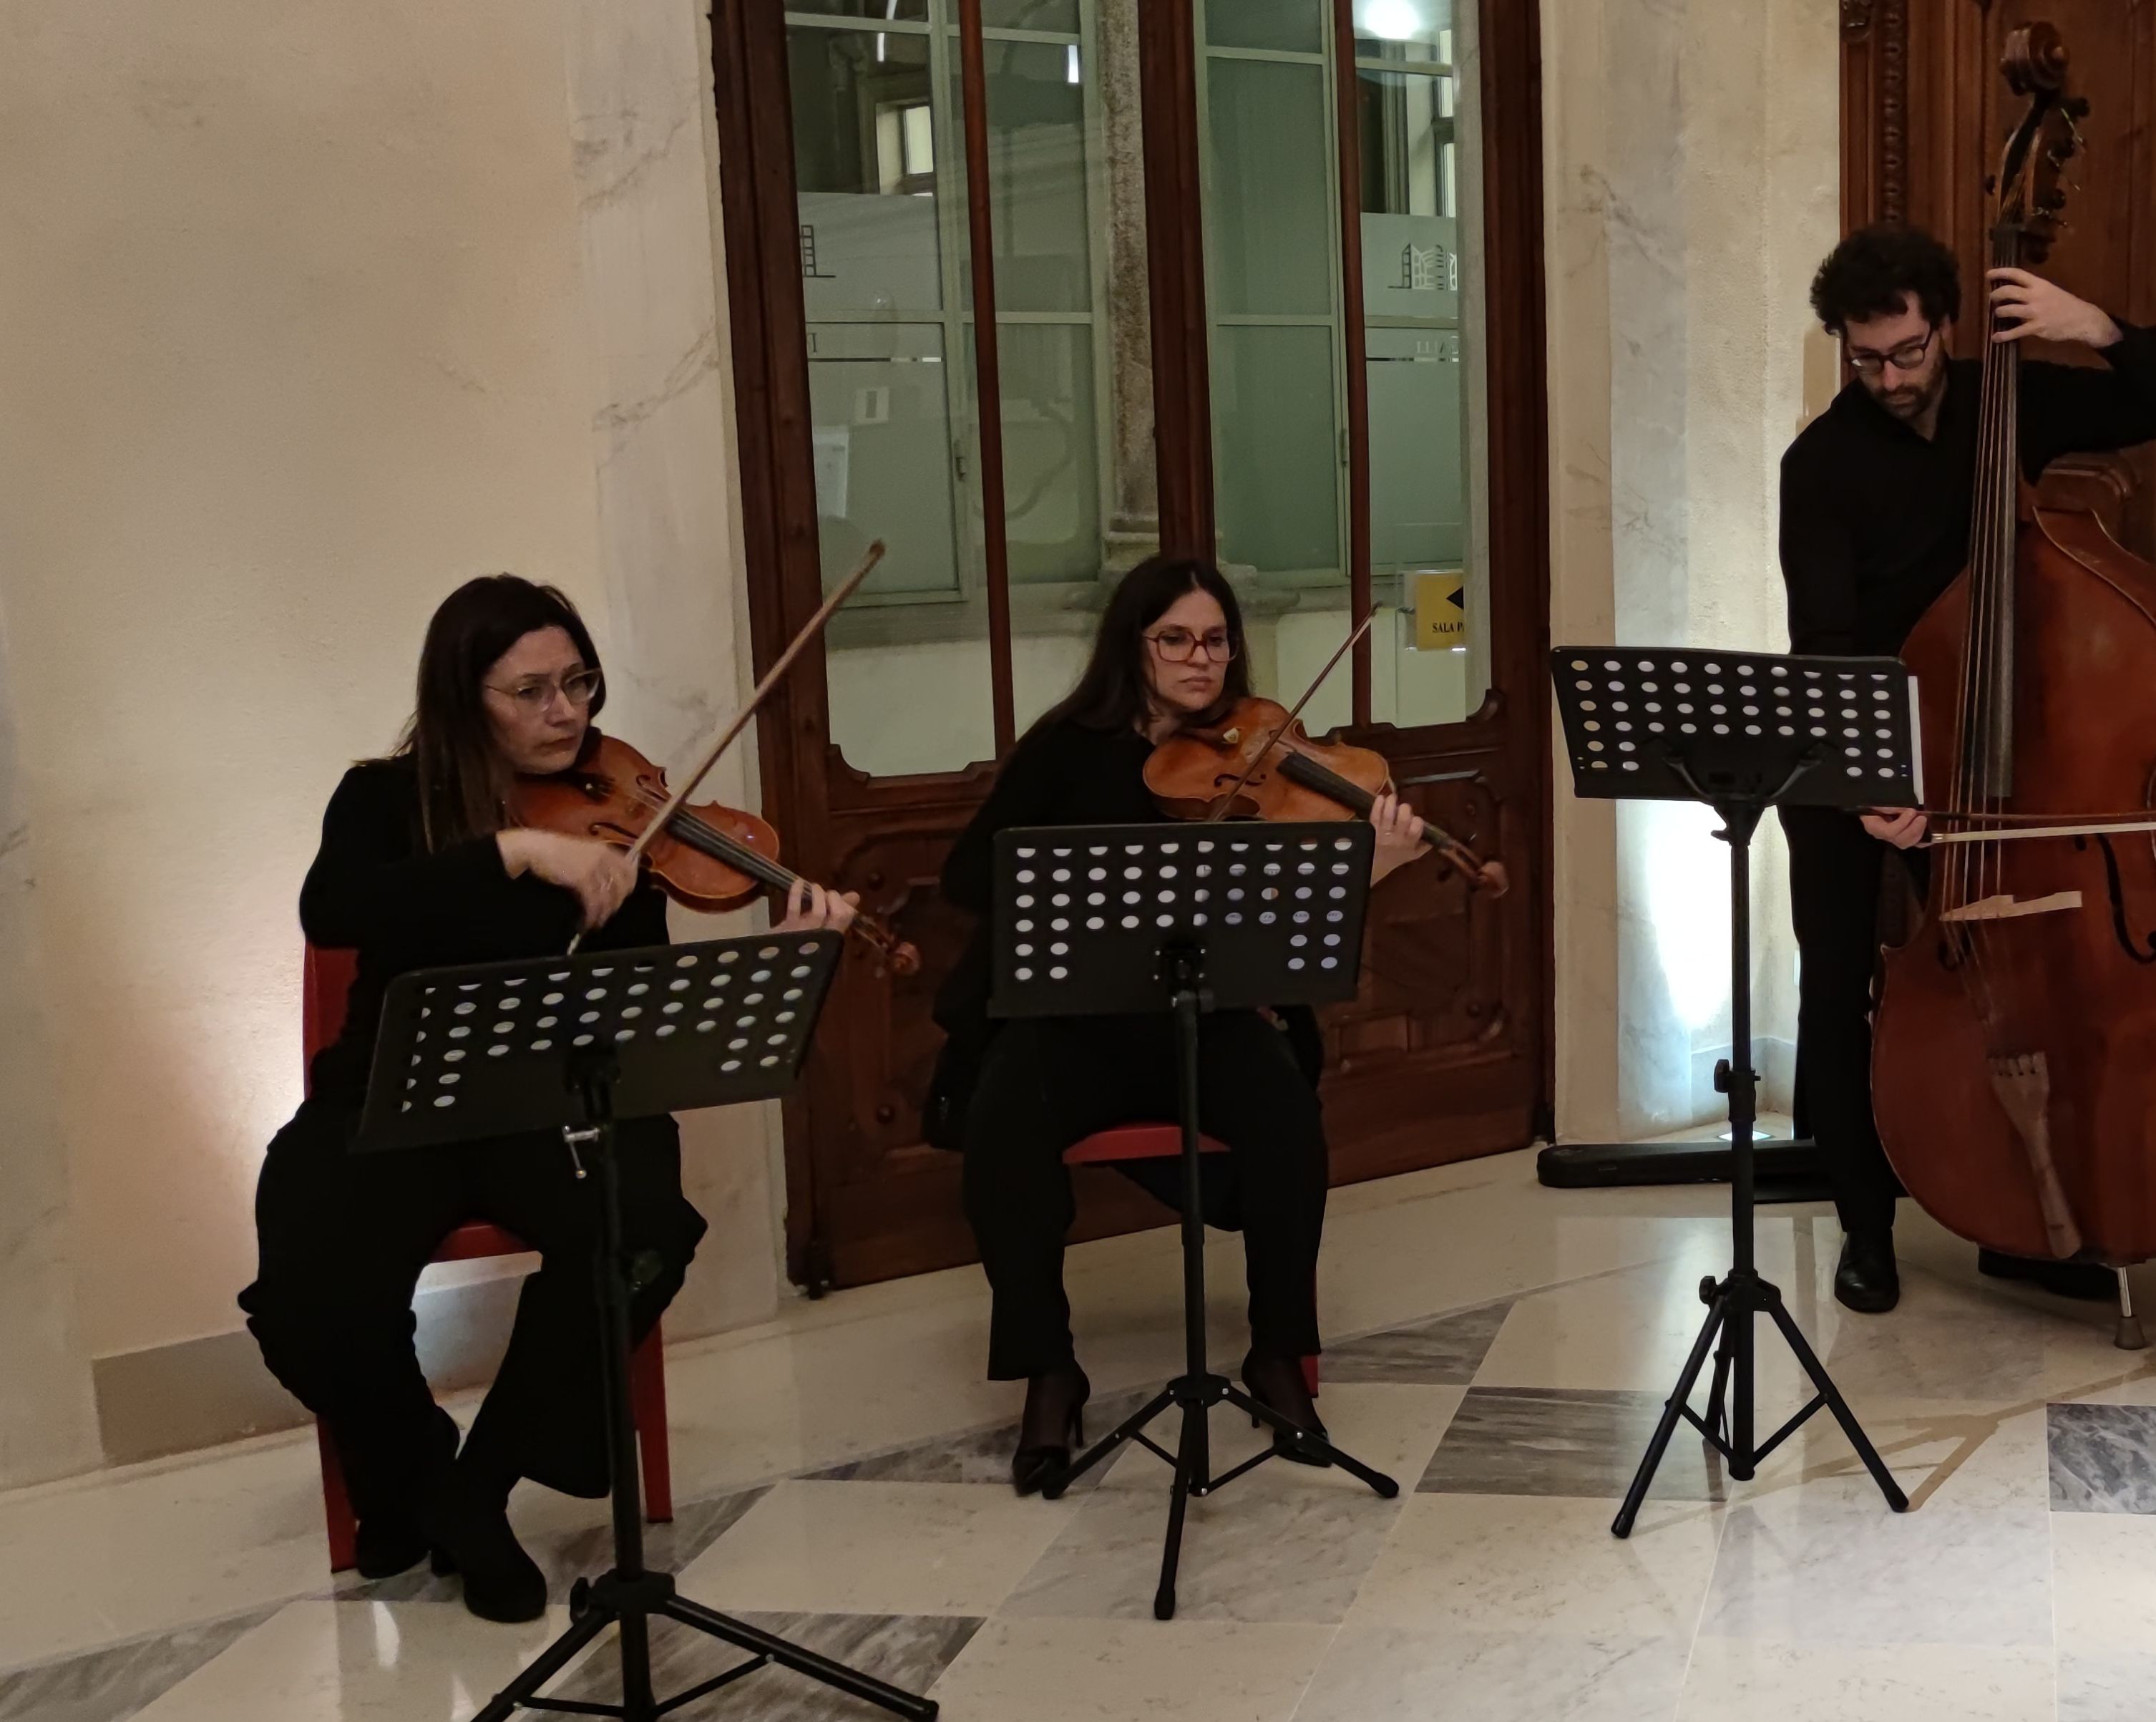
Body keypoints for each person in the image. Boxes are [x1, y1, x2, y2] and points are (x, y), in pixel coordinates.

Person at [240, 575, 857, 1623]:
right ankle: (421, 1476)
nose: (566, 713)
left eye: (578, 683)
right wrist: (515, 851)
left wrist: (787, 955)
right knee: (309, 1291)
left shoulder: (623, 812)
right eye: (529, 691)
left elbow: (638, 999)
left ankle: (476, 1492)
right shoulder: (385, 799)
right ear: (460, 696)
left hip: (565, 1096)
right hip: (396, 1097)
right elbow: (333, 907)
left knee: (642, 1229)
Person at [927, 555, 1430, 1495]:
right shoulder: (1068, 747)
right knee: (1003, 1126)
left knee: (1287, 1119)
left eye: (1215, 638)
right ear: (1135, 645)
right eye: (1176, 639)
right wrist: (1070, 887)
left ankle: (1279, 1352)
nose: (1201, 658)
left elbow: (1291, 928)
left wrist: (1375, 867)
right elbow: (969, 876)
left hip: (1207, 1015)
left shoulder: (1262, 753)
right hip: (1079, 1024)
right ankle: (1049, 1369)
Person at [1777, 223, 2156, 1315]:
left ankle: (2018, 1208)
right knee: (1841, 986)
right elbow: (1825, 644)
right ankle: (1865, 1226)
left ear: (1947, 327)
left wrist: (2095, 328)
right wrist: (1879, 779)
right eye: (1865, 357)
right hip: (1864, 748)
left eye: (1908, 353)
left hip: (2007, 759)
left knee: (2032, 970)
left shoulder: (2013, 400)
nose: (1888, 378)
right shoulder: (1818, 465)